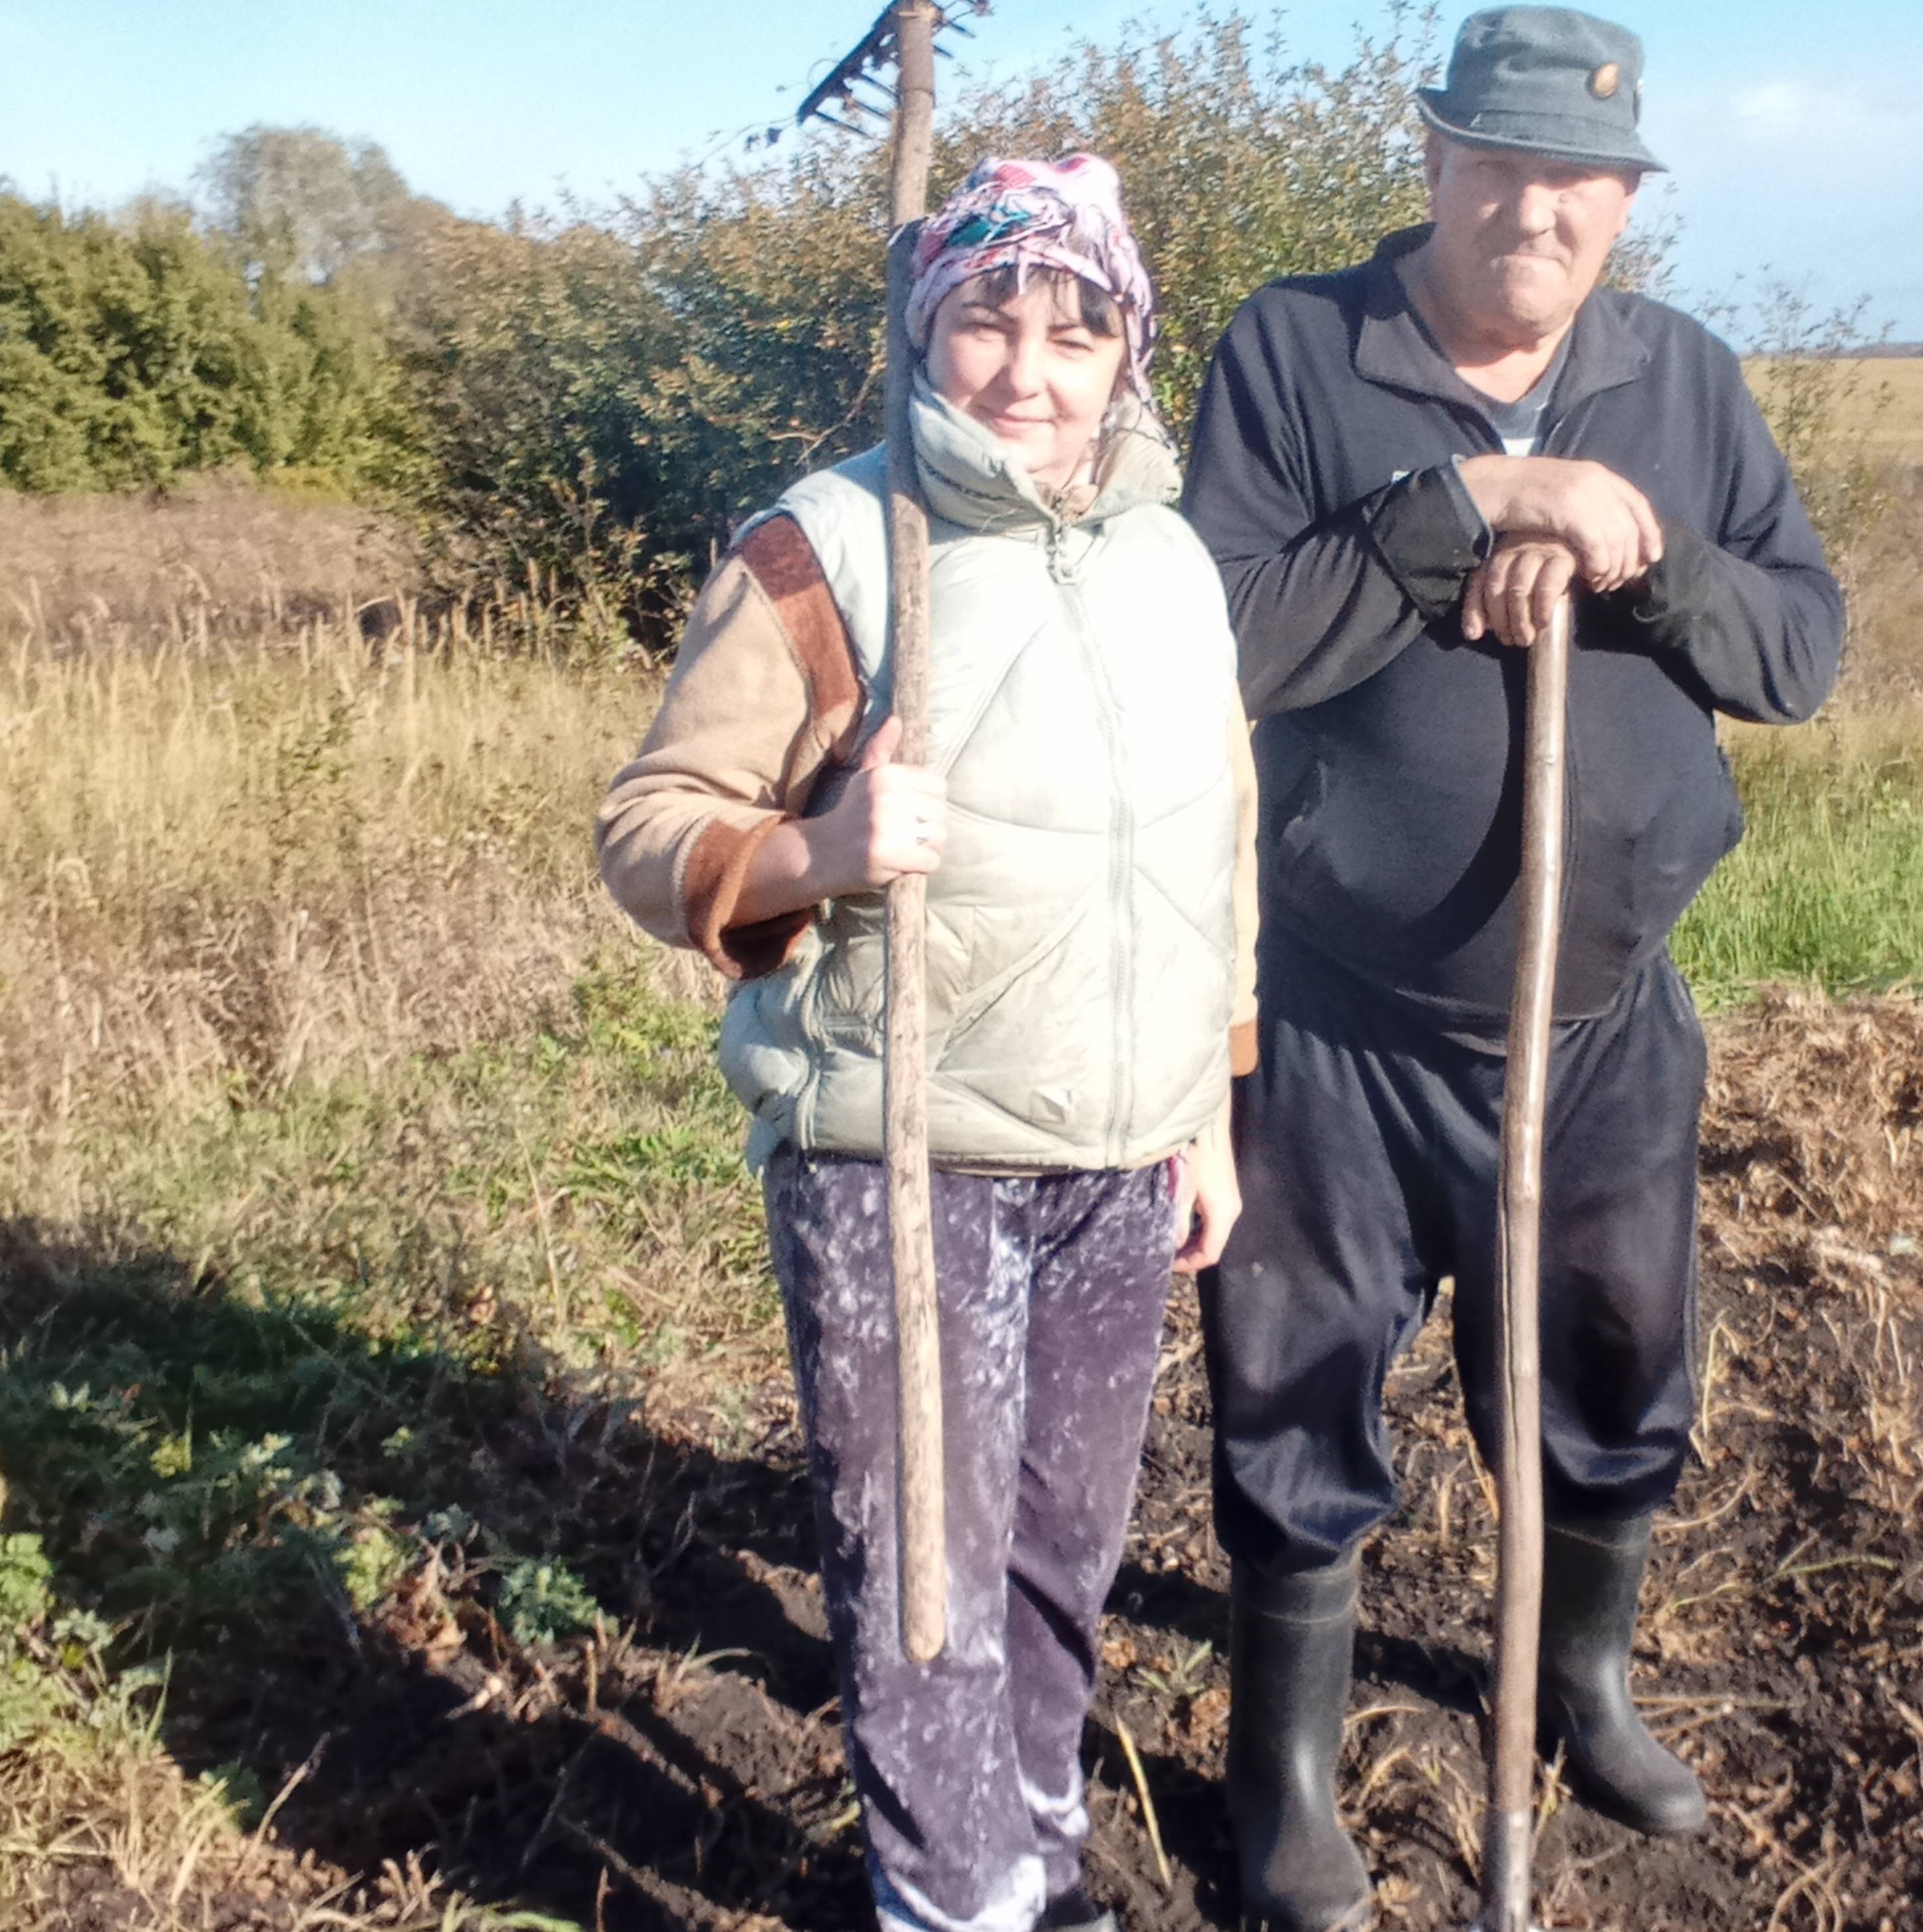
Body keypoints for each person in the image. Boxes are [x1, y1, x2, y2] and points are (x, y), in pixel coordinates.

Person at [1180, 8, 1845, 1926]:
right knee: (1295, 1384)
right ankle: (1285, 1772)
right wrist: (1454, 513)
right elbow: (1214, 641)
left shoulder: (1684, 381)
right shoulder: (1299, 354)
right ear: (1432, 163)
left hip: (1601, 1025)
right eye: (1497, 165)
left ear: (1624, 203)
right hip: (1339, 1024)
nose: (1531, 211)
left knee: (1619, 1376)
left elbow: (1799, 650)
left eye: (1576, 180)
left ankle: (1579, 1684)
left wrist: (1643, 562)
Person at [598, 155, 1253, 1932]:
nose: (1027, 370)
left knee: (1057, 1561)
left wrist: (1208, 1104)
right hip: (907, 1153)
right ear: (920, 329)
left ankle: (1032, 1868)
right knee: (928, 1585)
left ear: (1129, 343)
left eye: (1073, 325)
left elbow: (1214, 834)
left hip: (1120, 1150)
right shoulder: (829, 549)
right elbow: (649, 822)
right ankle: (950, 1906)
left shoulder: (1170, 559)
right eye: (986, 319)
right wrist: (815, 849)